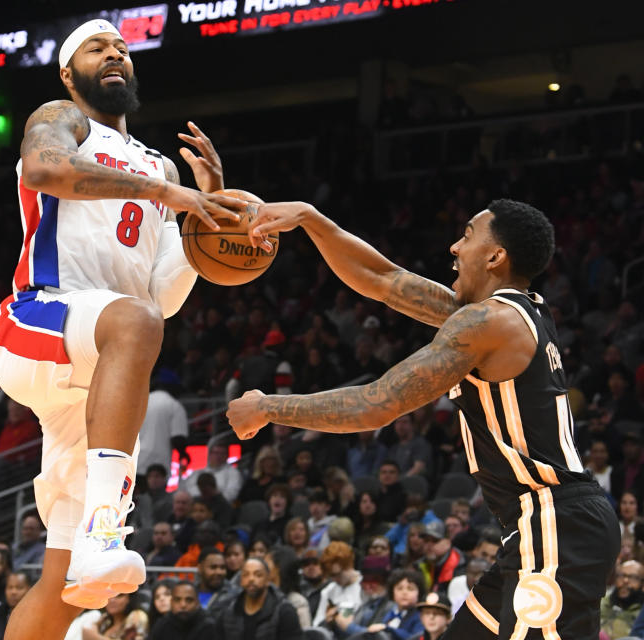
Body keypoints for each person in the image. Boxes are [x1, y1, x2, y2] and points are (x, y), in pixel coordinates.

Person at [228, 198, 621, 640]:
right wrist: (311, 220)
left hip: (555, 523)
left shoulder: (489, 322)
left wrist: (267, 407)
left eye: (468, 236)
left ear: (495, 257)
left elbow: (376, 404)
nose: (454, 247)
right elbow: (383, 279)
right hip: (539, 526)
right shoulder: (509, 312)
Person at [0, 17, 246, 635]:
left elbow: (161, 296)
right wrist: (170, 195)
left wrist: (202, 225)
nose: (114, 55)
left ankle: (98, 536)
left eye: (123, 49)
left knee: (65, 589)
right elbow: (47, 173)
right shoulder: (60, 119)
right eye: (97, 48)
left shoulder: (162, 169)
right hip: (36, 320)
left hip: (103, 372)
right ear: (67, 72)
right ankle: (109, 526)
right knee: (133, 321)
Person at [213, 558, 302, 640]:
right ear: (240, 581)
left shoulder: (284, 611)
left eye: (258, 575)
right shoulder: (228, 610)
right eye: (246, 575)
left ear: (268, 580)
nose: (251, 579)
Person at [150, 581, 216, 640]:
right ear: (171, 602)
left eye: (189, 600)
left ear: (197, 603)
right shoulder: (162, 625)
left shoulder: (209, 626)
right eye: (177, 600)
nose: (183, 605)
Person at [600, 560, 644, 640]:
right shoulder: (602, 601)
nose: (625, 581)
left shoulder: (641, 612)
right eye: (621, 575)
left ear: (642, 583)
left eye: (633, 577)